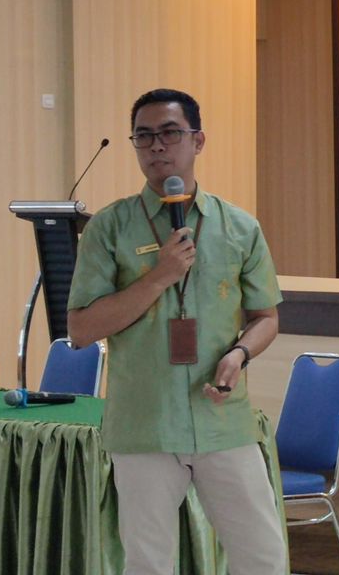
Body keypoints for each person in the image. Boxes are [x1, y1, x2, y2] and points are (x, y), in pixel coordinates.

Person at [67, 88, 286, 574]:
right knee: (148, 563)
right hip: (145, 422)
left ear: (198, 140)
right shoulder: (108, 228)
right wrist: (160, 276)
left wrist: (239, 354)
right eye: (144, 137)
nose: (157, 146)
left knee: (263, 557)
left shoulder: (239, 227)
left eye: (169, 133)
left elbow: (266, 317)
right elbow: (81, 329)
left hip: (222, 418)